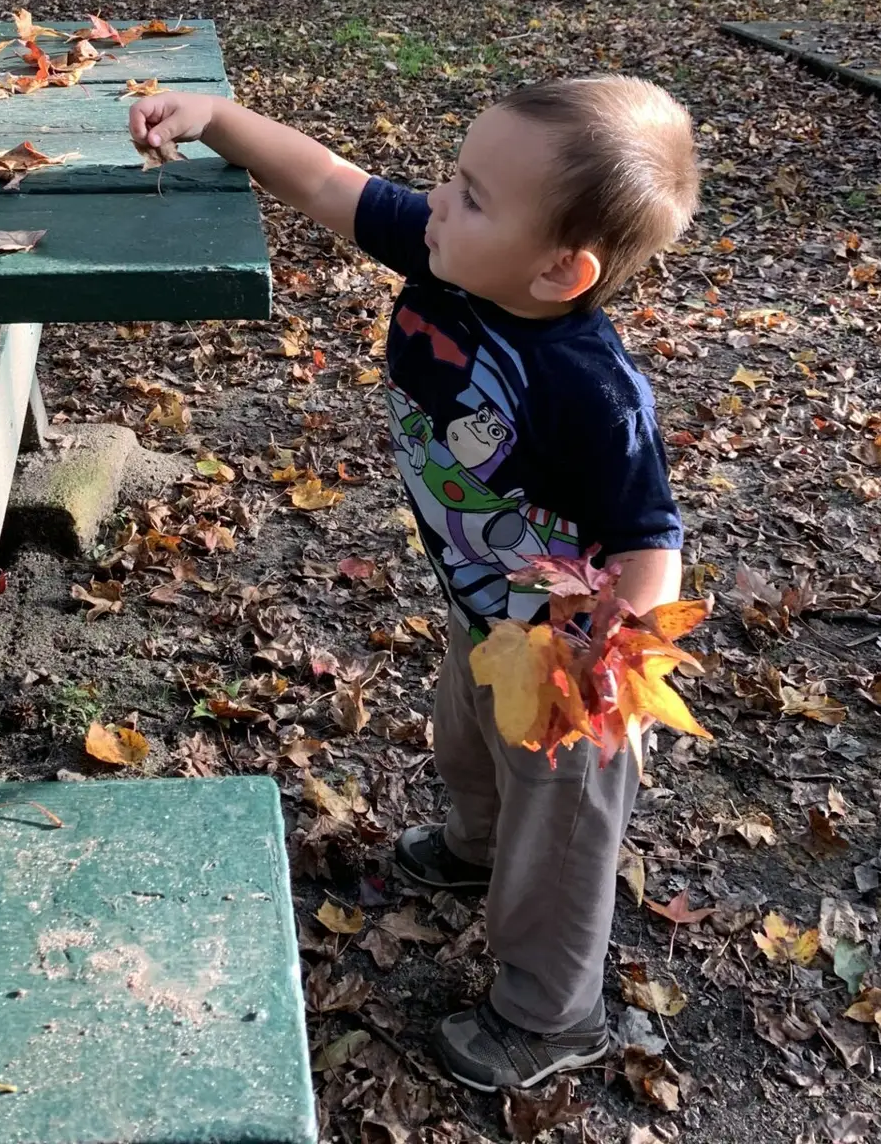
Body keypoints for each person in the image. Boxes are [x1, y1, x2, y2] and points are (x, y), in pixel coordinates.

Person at [129, 74, 700, 1092]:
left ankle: (550, 1014)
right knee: (466, 741)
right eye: (453, 174)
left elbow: (651, 531)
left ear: (561, 272)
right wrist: (212, 119)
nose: (439, 198)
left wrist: (622, 634)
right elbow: (326, 182)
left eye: (474, 195)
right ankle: (478, 846)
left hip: (574, 673)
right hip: (485, 609)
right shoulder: (453, 258)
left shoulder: (590, 387)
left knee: (560, 835)